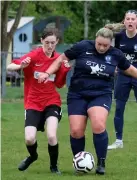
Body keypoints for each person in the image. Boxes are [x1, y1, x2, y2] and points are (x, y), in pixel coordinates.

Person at [37, 27, 137, 175]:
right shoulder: (83, 46)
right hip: (78, 94)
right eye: (99, 44)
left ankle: (101, 162)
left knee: (98, 123)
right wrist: (47, 73)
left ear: (111, 44)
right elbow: (61, 59)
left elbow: (130, 69)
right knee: (76, 130)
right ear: (95, 40)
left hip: (101, 94)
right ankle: (80, 161)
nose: (102, 48)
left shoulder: (116, 54)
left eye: (105, 45)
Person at [7, 28, 71, 174]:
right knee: (29, 138)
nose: (49, 46)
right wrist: (20, 66)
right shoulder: (34, 55)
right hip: (33, 102)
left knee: (52, 135)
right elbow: (10, 66)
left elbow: (59, 84)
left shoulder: (59, 59)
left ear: (57, 42)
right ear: (41, 41)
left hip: (51, 101)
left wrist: (65, 70)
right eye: (47, 42)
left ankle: (54, 167)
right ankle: (33, 156)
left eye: (53, 43)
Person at [106, 10, 137, 150]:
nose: (130, 21)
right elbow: (113, 53)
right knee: (119, 108)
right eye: (128, 19)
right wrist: (114, 66)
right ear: (124, 22)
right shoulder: (118, 37)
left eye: (133, 19)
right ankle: (119, 141)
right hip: (123, 76)